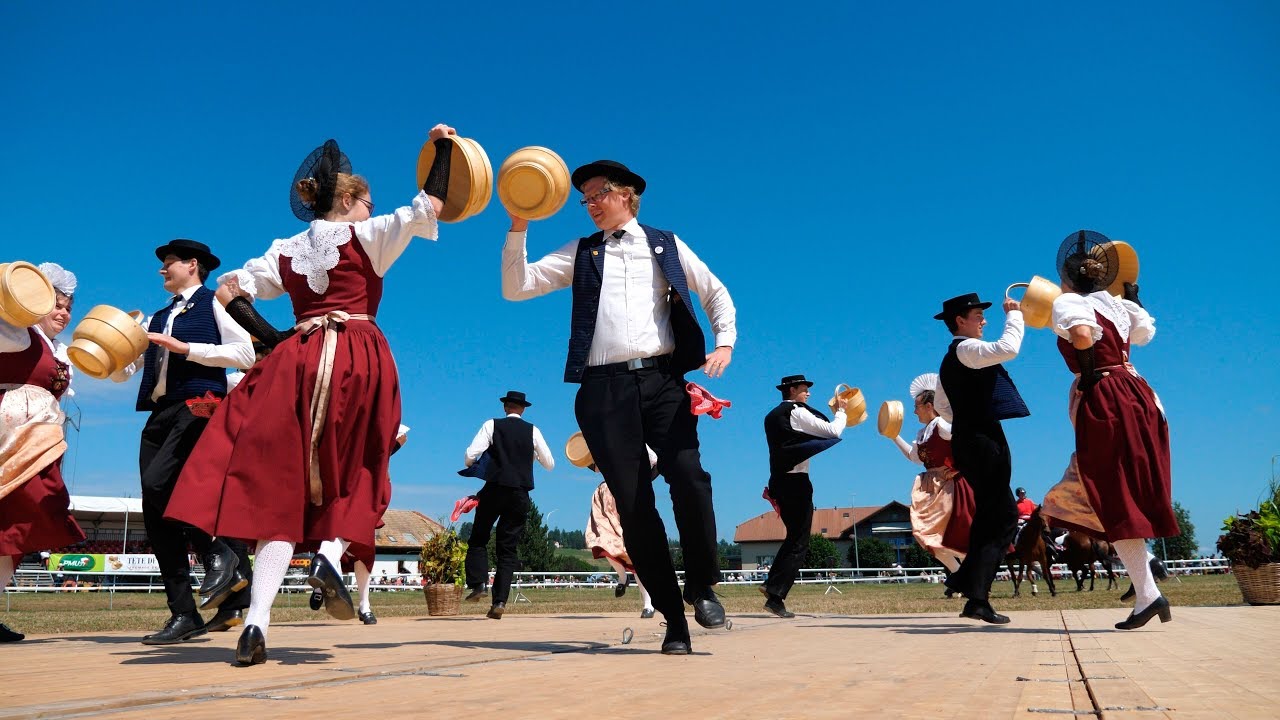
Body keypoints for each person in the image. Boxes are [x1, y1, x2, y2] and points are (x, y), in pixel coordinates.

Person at [163, 126, 457, 665]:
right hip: (356, 352)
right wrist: (442, 147)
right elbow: (430, 203)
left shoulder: (286, 249)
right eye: (366, 201)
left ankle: (256, 622)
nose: (372, 209)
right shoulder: (367, 237)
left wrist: (274, 337)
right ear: (347, 200)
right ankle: (328, 553)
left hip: (296, 359)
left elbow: (227, 289)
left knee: (283, 490)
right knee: (364, 463)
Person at [501, 159, 737, 655]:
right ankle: (675, 621)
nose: (589, 205)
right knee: (633, 505)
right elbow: (516, 286)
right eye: (583, 199)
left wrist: (724, 343)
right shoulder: (582, 252)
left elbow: (713, 290)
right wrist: (519, 223)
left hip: (662, 381)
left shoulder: (664, 244)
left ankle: (702, 586)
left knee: (690, 477)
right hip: (603, 390)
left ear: (626, 194)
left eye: (597, 194)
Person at [109, 241, 256, 644]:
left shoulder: (213, 304)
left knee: (163, 485)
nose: (161, 271)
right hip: (160, 413)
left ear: (192, 265)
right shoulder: (156, 317)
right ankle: (185, 613)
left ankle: (218, 553)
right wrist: (114, 352)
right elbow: (125, 373)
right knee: (155, 516)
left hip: (199, 404)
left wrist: (187, 349)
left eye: (168, 264)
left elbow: (245, 353)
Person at [1042, 230, 1174, 629]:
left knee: (1110, 489)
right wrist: (1133, 300)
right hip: (1138, 393)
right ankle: (1148, 592)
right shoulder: (1116, 305)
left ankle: (1149, 593)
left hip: (1107, 396)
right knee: (1120, 489)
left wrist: (1085, 376)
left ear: (1066, 278)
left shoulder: (1068, 302)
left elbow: (1082, 334)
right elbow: (1145, 334)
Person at [0, 263, 86, 642]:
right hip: (9, 438)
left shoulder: (59, 351)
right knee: (20, 511)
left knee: (20, 525)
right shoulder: (14, 332)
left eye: (68, 307)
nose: (63, 313)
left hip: (40, 443)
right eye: (55, 305)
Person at [932, 291, 1029, 624]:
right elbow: (1008, 349)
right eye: (978, 315)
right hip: (982, 438)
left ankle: (970, 587)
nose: (984, 320)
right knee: (1003, 516)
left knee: (992, 515)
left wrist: (965, 424)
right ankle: (975, 594)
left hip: (971, 437)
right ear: (960, 321)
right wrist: (1014, 314)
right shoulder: (967, 349)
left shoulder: (948, 360)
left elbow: (943, 408)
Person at [760, 374, 848, 618]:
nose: (807, 393)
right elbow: (832, 431)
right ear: (791, 391)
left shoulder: (773, 415)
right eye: (803, 389)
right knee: (799, 541)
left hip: (779, 479)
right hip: (796, 482)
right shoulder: (796, 412)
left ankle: (772, 586)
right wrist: (841, 412)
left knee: (794, 537)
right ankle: (776, 595)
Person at [462, 391, 554, 619]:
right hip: (520, 493)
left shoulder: (491, 425)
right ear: (523, 409)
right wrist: (528, 457)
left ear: (505, 407)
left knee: (479, 538)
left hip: (495, 488)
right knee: (507, 548)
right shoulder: (533, 430)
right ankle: (500, 601)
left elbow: (470, 455)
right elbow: (550, 464)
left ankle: (478, 584)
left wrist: (482, 463)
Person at [887, 373, 974, 576]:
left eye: (917, 406)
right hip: (929, 488)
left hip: (948, 487)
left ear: (929, 406)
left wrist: (959, 467)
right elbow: (915, 457)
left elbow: (965, 441)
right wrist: (894, 436)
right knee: (928, 538)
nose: (914, 411)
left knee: (947, 536)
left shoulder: (943, 426)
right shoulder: (922, 433)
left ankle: (971, 574)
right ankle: (963, 575)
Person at [584, 444, 659, 618]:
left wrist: (641, 481)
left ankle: (648, 603)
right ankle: (622, 577)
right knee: (602, 541)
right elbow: (594, 466)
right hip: (606, 496)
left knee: (634, 552)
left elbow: (654, 461)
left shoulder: (635, 437)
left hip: (629, 493)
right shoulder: (603, 437)